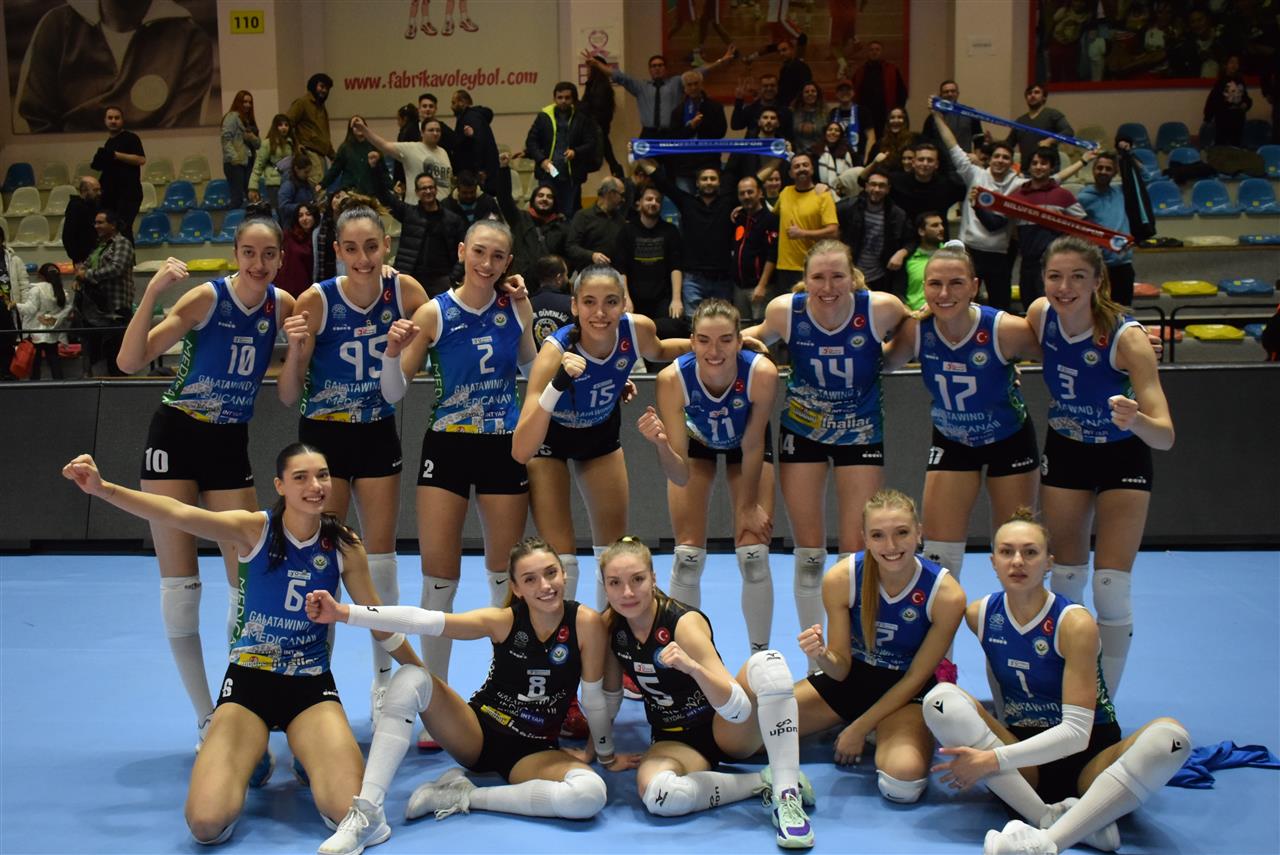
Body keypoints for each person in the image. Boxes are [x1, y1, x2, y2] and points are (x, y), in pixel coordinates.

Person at [60, 444, 423, 845]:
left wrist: (422, 676)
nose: (315, 485)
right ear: (280, 485)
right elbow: (176, 513)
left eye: (322, 475)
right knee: (205, 824)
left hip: (310, 688)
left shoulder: (342, 544)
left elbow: (377, 618)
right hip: (248, 686)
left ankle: (307, 752)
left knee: (346, 813)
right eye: (300, 477)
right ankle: (256, 755)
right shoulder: (253, 529)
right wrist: (104, 489)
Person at [112, 209, 301, 744]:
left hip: (228, 442)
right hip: (176, 435)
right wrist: (153, 293)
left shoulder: (284, 306)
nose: (259, 263)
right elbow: (129, 361)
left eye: (269, 255)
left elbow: (292, 389)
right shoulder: (205, 299)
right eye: (249, 253)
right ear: (235, 254)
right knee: (182, 584)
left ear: (280, 260)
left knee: (247, 580)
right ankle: (206, 716)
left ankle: (240, 700)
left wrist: (300, 348)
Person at [307, 540, 612, 854]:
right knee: (411, 677)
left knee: (589, 795)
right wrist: (343, 612)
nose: (545, 586)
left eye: (551, 573)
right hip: (476, 733)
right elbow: (423, 620)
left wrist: (603, 753)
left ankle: (462, 795)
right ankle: (368, 813)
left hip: (534, 751)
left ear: (564, 573)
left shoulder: (585, 623)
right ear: (516, 588)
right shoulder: (503, 621)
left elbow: (593, 699)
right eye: (530, 579)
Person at [924, 510, 1191, 855]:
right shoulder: (980, 614)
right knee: (940, 700)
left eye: (1030, 552)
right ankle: (1059, 820)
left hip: (1090, 760)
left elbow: (1076, 734)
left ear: (1049, 562)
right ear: (993, 562)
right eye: (1006, 552)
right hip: (1024, 766)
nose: (1017, 561)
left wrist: (992, 760)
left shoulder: (1074, 623)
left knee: (1172, 739)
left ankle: (1048, 841)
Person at [380, 219, 537, 747]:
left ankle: (505, 691)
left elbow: (532, 369)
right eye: (480, 253)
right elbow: (394, 391)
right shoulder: (434, 312)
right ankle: (437, 699)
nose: (487, 264)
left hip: (503, 445)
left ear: (508, 262)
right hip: (447, 446)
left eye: (498, 256)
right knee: (438, 580)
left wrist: (526, 315)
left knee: (504, 578)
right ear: (462, 250)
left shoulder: (513, 307)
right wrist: (391, 352)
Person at [283, 198, 431, 724]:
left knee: (381, 561)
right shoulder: (317, 300)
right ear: (338, 252)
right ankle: (313, 680)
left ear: (386, 245)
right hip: (323, 438)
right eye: (352, 249)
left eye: (372, 246)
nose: (363, 258)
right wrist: (295, 352)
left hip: (375, 432)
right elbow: (289, 392)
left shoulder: (406, 293)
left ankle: (384, 680)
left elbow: (438, 331)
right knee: (324, 559)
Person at [742, 241, 910, 672]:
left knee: (854, 556)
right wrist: (731, 350)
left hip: (860, 431)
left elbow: (921, 335)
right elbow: (748, 339)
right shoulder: (786, 311)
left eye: (838, 276)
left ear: (854, 278)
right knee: (810, 556)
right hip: (804, 431)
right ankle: (816, 664)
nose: (828, 286)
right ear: (805, 280)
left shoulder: (881, 308)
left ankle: (850, 653)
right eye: (818, 277)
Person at [598, 537, 815, 849]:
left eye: (637, 579)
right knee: (661, 796)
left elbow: (737, 709)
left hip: (726, 728)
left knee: (769, 664)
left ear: (653, 578)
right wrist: (601, 752)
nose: (627, 593)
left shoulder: (683, 623)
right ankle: (761, 782)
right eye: (615, 583)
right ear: (605, 587)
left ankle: (787, 797)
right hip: (674, 740)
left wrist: (693, 668)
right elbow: (608, 696)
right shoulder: (610, 627)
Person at [1028, 236, 1173, 698]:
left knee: (1110, 586)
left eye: (1077, 277)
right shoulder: (1040, 315)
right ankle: (1065, 691)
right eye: (1055, 276)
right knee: (1066, 581)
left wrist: (1137, 420)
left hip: (1122, 455)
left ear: (1097, 281)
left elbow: (1165, 435)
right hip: (1066, 448)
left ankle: (1103, 701)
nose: (1064, 287)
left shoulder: (1127, 338)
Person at [512, 264, 688, 608]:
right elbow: (520, 449)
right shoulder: (553, 353)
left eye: (610, 302)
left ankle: (607, 634)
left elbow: (662, 350)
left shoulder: (636, 330)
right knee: (563, 563)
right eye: (589, 302)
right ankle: (562, 637)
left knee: (613, 558)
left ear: (624, 304)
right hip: (550, 439)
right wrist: (559, 383)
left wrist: (730, 344)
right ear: (574, 306)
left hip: (599, 435)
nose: (600, 313)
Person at [883, 244, 1041, 592]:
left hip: (1009, 440)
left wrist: (1133, 342)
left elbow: (1067, 352)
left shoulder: (1004, 329)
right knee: (938, 559)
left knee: (1016, 552)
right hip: (952, 440)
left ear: (974, 286)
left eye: (955, 283)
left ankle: (1017, 626)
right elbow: (880, 363)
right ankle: (940, 630)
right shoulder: (917, 330)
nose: (944, 294)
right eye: (934, 284)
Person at [635, 299, 779, 652]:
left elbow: (753, 444)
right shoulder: (673, 379)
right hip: (696, 444)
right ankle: (686, 655)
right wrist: (661, 445)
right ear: (692, 341)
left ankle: (760, 656)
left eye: (725, 340)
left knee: (754, 556)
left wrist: (748, 507)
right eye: (704, 340)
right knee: (687, 559)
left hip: (746, 446)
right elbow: (679, 474)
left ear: (740, 341)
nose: (714, 352)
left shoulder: (761, 373)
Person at [16, 0, 213, 133]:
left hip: (145, 167)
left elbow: (176, 135)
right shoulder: (57, 25)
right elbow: (36, 118)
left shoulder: (189, 40)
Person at [930, 106, 1026, 311]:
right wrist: (937, 116)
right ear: (989, 159)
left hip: (999, 254)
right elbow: (953, 146)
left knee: (1000, 305)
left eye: (1006, 157)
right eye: (997, 156)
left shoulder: (1018, 185)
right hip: (970, 251)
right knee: (963, 301)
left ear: (1012, 162)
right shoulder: (975, 174)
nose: (1000, 160)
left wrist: (1084, 160)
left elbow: (1050, 180)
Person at [373, 167, 466, 297]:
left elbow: (464, 251)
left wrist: (454, 276)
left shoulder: (453, 219)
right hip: (411, 278)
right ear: (417, 192)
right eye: (423, 188)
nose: (428, 191)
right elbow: (384, 196)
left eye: (431, 187)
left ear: (436, 189)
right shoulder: (409, 213)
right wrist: (376, 168)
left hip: (442, 281)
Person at [612, 188, 686, 331]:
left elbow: (676, 267)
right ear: (639, 203)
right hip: (634, 297)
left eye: (657, 200)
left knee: (674, 326)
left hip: (663, 297)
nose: (653, 203)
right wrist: (625, 298)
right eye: (649, 199)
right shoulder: (626, 231)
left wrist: (676, 299)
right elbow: (621, 268)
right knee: (628, 328)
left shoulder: (670, 231)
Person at [524, 82, 601, 216]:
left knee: (570, 212)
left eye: (567, 98)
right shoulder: (544, 116)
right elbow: (531, 142)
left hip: (571, 173)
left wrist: (576, 152)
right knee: (545, 210)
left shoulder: (581, 117)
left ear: (573, 99)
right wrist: (542, 160)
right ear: (554, 98)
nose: (563, 101)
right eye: (560, 97)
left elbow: (591, 143)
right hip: (548, 170)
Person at [77, 210, 135, 374]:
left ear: (113, 225)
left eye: (100, 222)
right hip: (95, 311)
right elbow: (84, 267)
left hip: (116, 309)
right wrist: (79, 278)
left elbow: (116, 268)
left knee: (116, 359)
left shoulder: (122, 243)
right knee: (96, 358)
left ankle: (118, 389)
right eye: (95, 223)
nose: (96, 226)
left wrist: (87, 275)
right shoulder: (100, 247)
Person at [836, 169, 911, 296]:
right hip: (849, 273)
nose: (876, 189)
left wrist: (902, 252)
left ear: (888, 189)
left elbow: (911, 240)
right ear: (866, 186)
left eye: (881, 186)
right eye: (873, 184)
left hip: (879, 277)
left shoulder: (897, 215)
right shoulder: (848, 207)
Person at [1076, 151, 1136, 306]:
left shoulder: (1121, 192)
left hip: (1123, 264)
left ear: (1115, 172)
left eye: (1108, 169)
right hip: (1096, 266)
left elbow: (1145, 178)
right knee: (1095, 312)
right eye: (1099, 167)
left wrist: (1126, 155)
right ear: (1093, 170)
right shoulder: (1083, 198)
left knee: (1122, 312)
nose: (1103, 171)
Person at [773, 153, 839, 291]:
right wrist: (743, 210)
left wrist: (802, 233)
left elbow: (833, 231)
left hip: (811, 266)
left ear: (812, 169)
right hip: (784, 267)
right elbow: (772, 215)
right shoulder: (785, 192)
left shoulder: (823, 195)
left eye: (805, 165)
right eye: (797, 166)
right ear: (791, 173)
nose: (801, 168)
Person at [357, 115, 454, 205]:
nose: (435, 133)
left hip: (442, 209)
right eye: (431, 130)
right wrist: (364, 130)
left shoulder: (443, 152)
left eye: (438, 130)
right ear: (422, 133)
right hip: (417, 208)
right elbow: (384, 145)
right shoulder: (411, 148)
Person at [496, 167, 569, 285]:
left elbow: (567, 257)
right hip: (521, 283)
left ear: (554, 202)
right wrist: (504, 169)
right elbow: (504, 197)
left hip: (549, 285)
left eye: (549, 197)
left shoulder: (561, 227)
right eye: (540, 195)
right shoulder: (519, 219)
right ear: (533, 200)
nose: (544, 199)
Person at [887, 142, 965, 243]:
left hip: (937, 242)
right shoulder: (897, 181)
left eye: (930, 160)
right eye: (921, 159)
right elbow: (868, 183)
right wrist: (875, 163)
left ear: (936, 165)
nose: (925, 164)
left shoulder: (947, 185)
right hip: (904, 241)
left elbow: (968, 193)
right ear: (913, 162)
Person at [729, 175, 779, 320]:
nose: (746, 196)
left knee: (762, 329)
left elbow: (773, 254)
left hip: (760, 288)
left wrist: (762, 285)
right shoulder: (739, 217)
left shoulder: (770, 219)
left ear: (760, 193)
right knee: (742, 329)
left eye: (750, 192)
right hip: (739, 288)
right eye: (742, 193)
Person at [92, 106, 145, 242]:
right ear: (105, 121)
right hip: (111, 194)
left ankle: (127, 256)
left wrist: (115, 155)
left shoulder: (131, 138)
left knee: (124, 229)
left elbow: (141, 159)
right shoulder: (109, 143)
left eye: (117, 118)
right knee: (110, 231)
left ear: (122, 120)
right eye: (110, 118)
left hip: (129, 193)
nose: (113, 121)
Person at [17, 263, 74, 380]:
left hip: (36, 332)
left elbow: (30, 309)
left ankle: (34, 385)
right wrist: (54, 318)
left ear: (41, 276)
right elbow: (68, 309)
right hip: (52, 332)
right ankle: (60, 384)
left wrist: (15, 305)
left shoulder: (36, 290)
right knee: (54, 360)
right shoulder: (62, 291)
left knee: (35, 363)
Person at [565, 176, 628, 273]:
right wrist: (592, 256)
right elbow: (571, 247)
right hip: (589, 274)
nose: (623, 200)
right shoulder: (583, 216)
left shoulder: (621, 220)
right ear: (611, 193)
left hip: (614, 275)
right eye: (621, 195)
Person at [1007, 84, 1074, 171]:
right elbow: (1008, 144)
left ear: (1044, 97)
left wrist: (1050, 140)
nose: (1032, 95)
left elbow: (1068, 131)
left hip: (1048, 170)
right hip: (1026, 170)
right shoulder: (1020, 121)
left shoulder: (1052, 114)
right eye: (1029, 93)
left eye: (1036, 92)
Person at [851, 41, 908, 139]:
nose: (874, 52)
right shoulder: (860, 71)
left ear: (882, 52)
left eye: (877, 50)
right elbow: (853, 93)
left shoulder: (892, 70)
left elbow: (902, 92)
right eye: (871, 50)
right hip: (865, 115)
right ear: (868, 52)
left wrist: (897, 111)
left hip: (885, 114)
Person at [449, 90, 501, 196]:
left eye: (454, 103)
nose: (451, 106)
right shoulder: (475, 116)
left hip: (478, 173)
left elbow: (479, 144)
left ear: (462, 102)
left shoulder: (470, 118)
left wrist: (480, 169)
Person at [920, 80, 984, 161]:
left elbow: (978, 139)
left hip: (964, 161)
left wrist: (977, 159)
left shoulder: (969, 113)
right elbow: (925, 142)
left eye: (953, 91)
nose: (950, 94)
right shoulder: (933, 117)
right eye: (946, 92)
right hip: (941, 163)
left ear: (957, 93)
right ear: (941, 95)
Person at [320, 116, 378, 197]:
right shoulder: (345, 148)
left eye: (360, 125)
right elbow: (335, 170)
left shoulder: (373, 146)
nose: (358, 128)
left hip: (369, 191)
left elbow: (381, 170)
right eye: (355, 126)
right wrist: (322, 184)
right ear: (351, 129)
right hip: (349, 190)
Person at [221, 90, 259, 210]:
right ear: (238, 102)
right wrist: (235, 158)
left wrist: (252, 137)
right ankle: (231, 220)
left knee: (251, 197)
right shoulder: (232, 117)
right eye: (245, 102)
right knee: (237, 199)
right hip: (235, 164)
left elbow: (258, 144)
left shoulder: (249, 120)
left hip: (248, 162)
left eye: (250, 102)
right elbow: (226, 139)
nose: (248, 105)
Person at [1, 228, 31, 379]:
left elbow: (24, 285)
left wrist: (23, 307)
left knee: (8, 344)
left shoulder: (14, 260)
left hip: (10, 309)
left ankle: (10, 377)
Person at [287, 73, 335, 168]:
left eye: (327, 88)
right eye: (322, 86)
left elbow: (324, 135)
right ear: (313, 85)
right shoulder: (302, 103)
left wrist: (333, 156)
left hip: (321, 156)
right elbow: (287, 124)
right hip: (308, 154)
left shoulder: (322, 108)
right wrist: (296, 145)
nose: (324, 90)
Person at [248, 114, 295, 210]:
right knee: (277, 211)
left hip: (290, 182)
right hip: (274, 184)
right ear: (275, 127)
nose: (284, 128)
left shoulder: (292, 143)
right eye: (280, 125)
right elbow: (258, 167)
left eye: (286, 125)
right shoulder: (267, 144)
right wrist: (253, 188)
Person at [902, 212, 946, 311]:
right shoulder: (909, 259)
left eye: (941, 224)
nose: (941, 228)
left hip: (944, 311)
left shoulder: (951, 255)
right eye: (935, 225)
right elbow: (899, 292)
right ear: (921, 231)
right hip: (915, 314)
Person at [732, 73, 796, 141]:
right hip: (753, 146)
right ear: (759, 88)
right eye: (765, 86)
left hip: (777, 146)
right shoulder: (750, 109)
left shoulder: (785, 111)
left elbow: (790, 136)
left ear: (777, 88)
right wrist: (739, 100)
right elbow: (735, 126)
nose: (769, 88)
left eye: (772, 85)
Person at [528, 255, 573, 349]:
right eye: (566, 275)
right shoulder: (571, 304)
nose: (567, 279)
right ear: (559, 278)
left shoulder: (526, 304)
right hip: (564, 357)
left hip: (533, 357)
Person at [276, 202, 318, 298]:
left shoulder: (319, 237)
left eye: (308, 214)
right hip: (286, 286)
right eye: (300, 215)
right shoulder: (288, 235)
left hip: (308, 288)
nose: (304, 218)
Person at [62, 176, 103, 265]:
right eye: (95, 190)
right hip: (82, 258)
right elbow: (68, 236)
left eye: (99, 190)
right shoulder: (75, 207)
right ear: (84, 191)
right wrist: (77, 259)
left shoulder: (95, 205)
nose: (99, 193)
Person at [864, 106, 915, 171]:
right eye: (892, 117)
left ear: (905, 121)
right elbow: (868, 168)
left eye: (900, 117)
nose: (896, 121)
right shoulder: (879, 145)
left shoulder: (914, 141)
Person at [278, 153, 319, 228]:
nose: (308, 175)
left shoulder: (308, 184)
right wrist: (301, 207)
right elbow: (283, 207)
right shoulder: (288, 185)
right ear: (296, 169)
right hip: (292, 226)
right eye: (306, 172)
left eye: (309, 172)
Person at [814, 122, 856, 188]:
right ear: (825, 133)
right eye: (830, 130)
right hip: (821, 188)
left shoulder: (848, 151)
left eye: (837, 130)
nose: (833, 132)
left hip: (844, 190)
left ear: (841, 135)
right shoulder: (816, 150)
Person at [790, 82, 826, 156]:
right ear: (801, 95)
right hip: (797, 155)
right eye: (807, 92)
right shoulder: (793, 112)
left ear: (818, 94)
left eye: (813, 91)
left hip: (819, 155)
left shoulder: (826, 113)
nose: (810, 93)